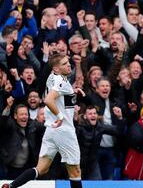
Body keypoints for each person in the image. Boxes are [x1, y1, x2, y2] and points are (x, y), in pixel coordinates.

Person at [1, 53, 83, 188]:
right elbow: (49, 100)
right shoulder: (61, 81)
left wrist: (73, 91)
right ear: (56, 69)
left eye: (68, 62)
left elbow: (58, 95)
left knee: (41, 168)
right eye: (64, 64)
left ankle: (11, 186)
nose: (69, 65)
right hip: (64, 131)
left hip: (51, 131)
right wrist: (61, 117)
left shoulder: (53, 78)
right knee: (75, 172)